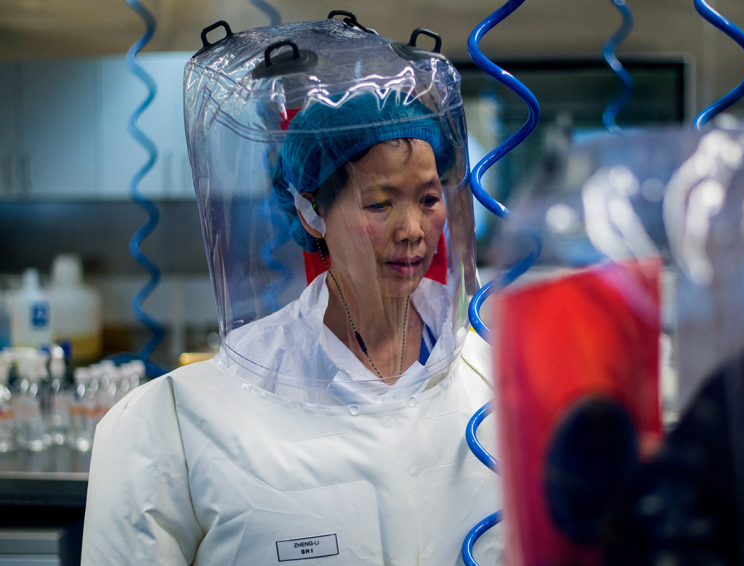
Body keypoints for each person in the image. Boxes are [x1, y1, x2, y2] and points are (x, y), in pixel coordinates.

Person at [81, 16, 502, 565]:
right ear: (310, 211)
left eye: (427, 198)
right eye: (380, 203)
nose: (413, 230)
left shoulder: (491, 377)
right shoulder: (186, 421)